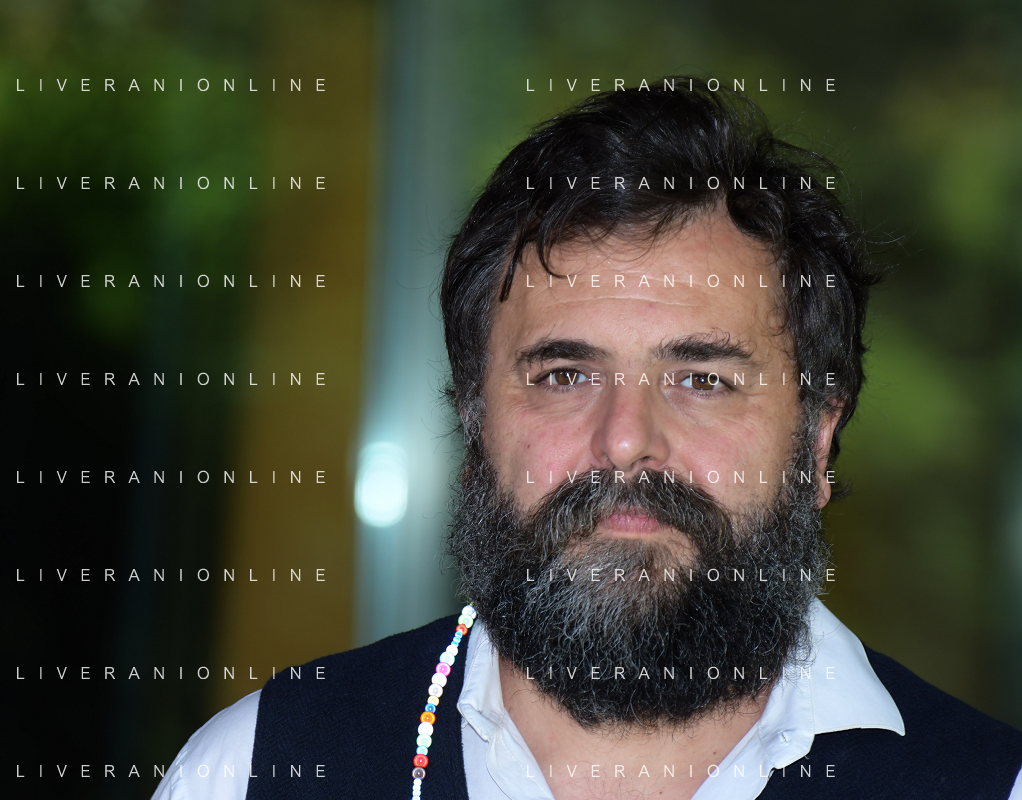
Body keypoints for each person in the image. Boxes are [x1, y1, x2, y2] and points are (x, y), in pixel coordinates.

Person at [151, 79, 1022, 800]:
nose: (624, 441)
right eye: (564, 375)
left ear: (817, 439)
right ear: (473, 423)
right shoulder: (252, 771)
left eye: (701, 380)